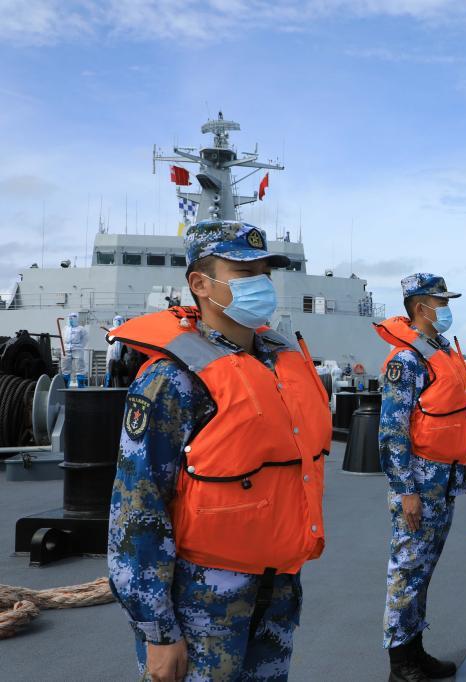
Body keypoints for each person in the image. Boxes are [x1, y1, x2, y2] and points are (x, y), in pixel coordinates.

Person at [107, 220, 332, 682]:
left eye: (265, 273)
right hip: (202, 606)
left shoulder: (280, 362)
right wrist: (157, 632)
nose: (261, 284)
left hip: (276, 593)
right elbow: (137, 507)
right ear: (200, 284)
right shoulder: (172, 378)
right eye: (244, 272)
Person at [377, 273, 466, 682]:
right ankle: (400, 664)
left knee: (423, 570)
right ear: (421, 307)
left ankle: (415, 650)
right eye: (441, 302)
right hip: (419, 483)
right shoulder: (406, 360)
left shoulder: (439, 350)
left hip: (444, 480)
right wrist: (406, 491)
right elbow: (392, 430)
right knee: (406, 571)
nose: (447, 309)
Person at [63, 311, 89, 388]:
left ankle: (81, 386)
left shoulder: (81, 329)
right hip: (66, 348)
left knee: (79, 366)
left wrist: (80, 346)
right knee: (65, 367)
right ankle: (65, 386)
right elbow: (62, 338)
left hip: (77, 348)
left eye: (74, 317)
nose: (71, 319)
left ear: (77, 318)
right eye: (70, 317)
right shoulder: (65, 328)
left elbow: (85, 338)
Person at [104, 314, 125, 387]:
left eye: (119, 320)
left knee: (122, 367)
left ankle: (121, 384)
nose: (118, 322)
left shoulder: (125, 329)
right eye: (116, 320)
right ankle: (108, 384)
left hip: (122, 350)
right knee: (109, 366)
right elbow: (107, 340)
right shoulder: (110, 330)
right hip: (112, 350)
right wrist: (112, 337)